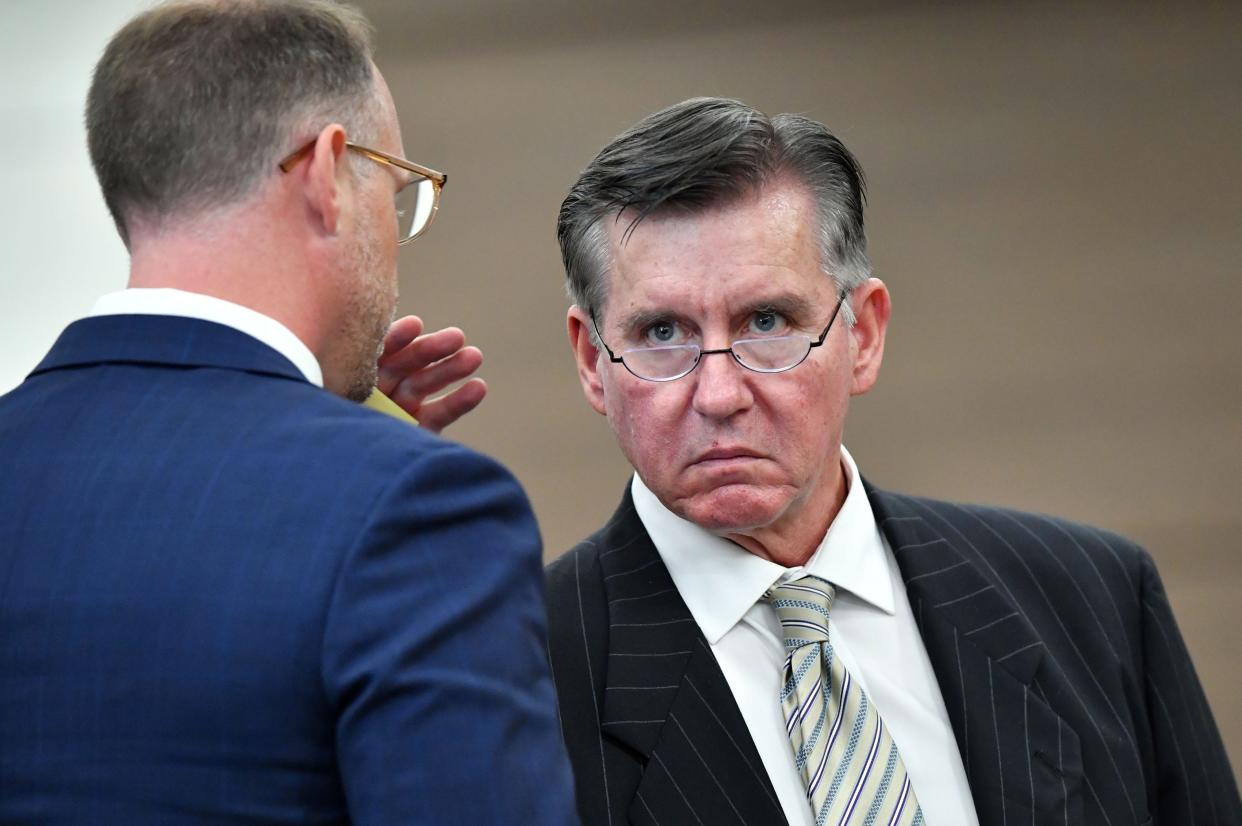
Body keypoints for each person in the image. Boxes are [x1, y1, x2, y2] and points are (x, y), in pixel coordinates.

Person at [544, 97, 1240, 825]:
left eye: (768, 322)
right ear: (595, 362)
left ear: (864, 334)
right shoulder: (519, 680)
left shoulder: (1093, 599)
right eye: (662, 331)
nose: (718, 393)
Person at [0, 1, 578, 823]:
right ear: (328, 172)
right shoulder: (420, 510)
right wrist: (377, 478)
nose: (396, 231)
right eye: (397, 187)